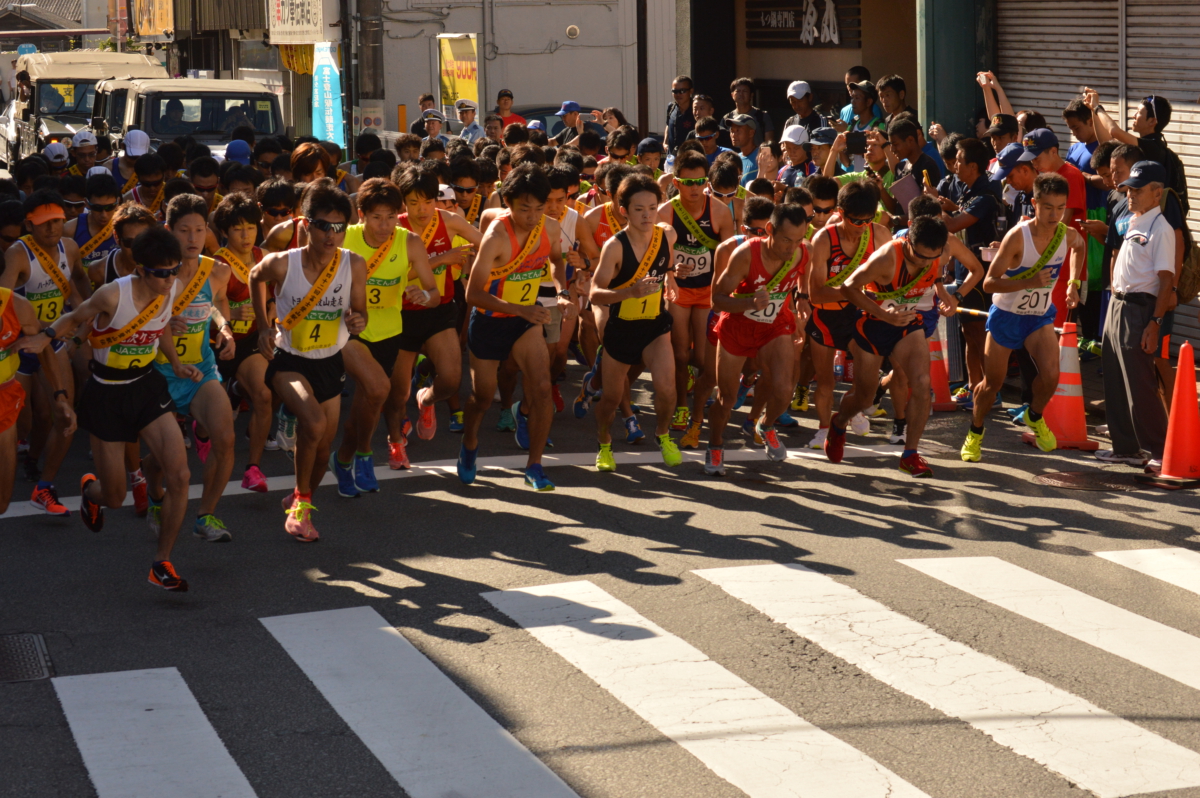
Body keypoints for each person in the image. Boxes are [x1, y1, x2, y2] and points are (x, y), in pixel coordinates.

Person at [25, 227, 195, 589]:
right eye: (161, 273)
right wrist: (47, 336)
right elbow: (75, 317)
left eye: (174, 270)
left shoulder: (172, 289)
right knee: (114, 498)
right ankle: (91, 491)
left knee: (180, 476)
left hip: (147, 386)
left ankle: (161, 562)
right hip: (107, 394)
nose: (169, 280)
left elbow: (161, 325)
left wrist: (176, 364)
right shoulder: (113, 294)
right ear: (141, 270)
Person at [251, 181, 367, 541]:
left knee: (321, 452)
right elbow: (256, 276)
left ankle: (301, 496)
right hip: (289, 359)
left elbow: (360, 312)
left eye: (339, 228)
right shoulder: (283, 264)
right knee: (313, 424)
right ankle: (300, 509)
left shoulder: (355, 264)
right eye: (322, 226)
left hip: (330, 361)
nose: (331, 235)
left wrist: (357, 320)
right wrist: (263, 327)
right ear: (305, 225)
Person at [961, 174, 1086, 462]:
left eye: (1060, 207)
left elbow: (1079, 247)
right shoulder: (1018, 237)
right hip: (1007, 316)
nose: (1055, 215)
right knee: (993, 383)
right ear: (1034, 204)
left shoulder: (1065, 233)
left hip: (1038, 317)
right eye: (1048, 208)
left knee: (1052, 375)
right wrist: (1026, 282)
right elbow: (990, 283)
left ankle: (1034, 416)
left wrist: (1073, 284)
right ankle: (975, 433)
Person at [459, 164, 569, 489]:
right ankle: (468, 445)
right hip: (491, 321)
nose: (533, 216)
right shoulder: (495, 235)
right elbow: (473, 293)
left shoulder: (550, 228)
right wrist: (518, 309)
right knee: (481, 398)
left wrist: (561, 291)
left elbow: (558, 261)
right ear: (507, 201)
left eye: (539, 207)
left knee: (541, 387)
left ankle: (534, 466)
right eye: (525, 209)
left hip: (525, 321)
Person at [824, 215, 954, 477]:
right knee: (864, 396)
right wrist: (884, 315)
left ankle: (910, 454)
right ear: (908, 241)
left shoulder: (940, 252)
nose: (925, 262)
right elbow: (848, 288)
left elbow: (936, 278)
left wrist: (947, 297)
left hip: (907, 323)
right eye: (919, 256)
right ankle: (838, 423)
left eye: (932, 257)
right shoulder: (887, 257)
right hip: (873, 324)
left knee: (921, 382)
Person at [330, 178, 438, 492]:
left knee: (368, 405)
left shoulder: (409, 242)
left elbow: (433, 291)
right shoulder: (343, 238)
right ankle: (365, 455)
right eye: (376, 217)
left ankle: (345, 456)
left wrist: (423, 295)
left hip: (390, 333)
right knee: (379, 388)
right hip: (348, 331)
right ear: (360, 214)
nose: (384, 225)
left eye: (391, 217)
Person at [705, 202, 811, 475]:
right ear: (770, 230)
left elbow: (801, 278)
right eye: (786, 239)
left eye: (798, 240)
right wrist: (751, 302)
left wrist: (801, 300)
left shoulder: (802, 252)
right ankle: (715, 445)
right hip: (738, 327)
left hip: (774, 326)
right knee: (726, 400)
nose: (791, 247)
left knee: (784, 388)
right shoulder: (745, 255)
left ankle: (766, 425)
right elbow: (716, 301)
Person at [157, 194, 237, 542]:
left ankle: (206, 515)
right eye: (184, 231)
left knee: (226, 436)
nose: (192, 239)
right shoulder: (154, 274)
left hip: (200, 371)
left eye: (199, 230)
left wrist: (224, 327)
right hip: (157, 374)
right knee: (167, 456)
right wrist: (160, 321)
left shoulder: (217, 269)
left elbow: (218, 302)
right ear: (168, 231)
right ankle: (149, 477)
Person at [588, 172, 682, 472]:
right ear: (623, 209)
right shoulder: (615, 247)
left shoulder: (666, 234)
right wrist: (631, 291)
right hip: (622, 328)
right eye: (639, 209)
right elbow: (594, 294)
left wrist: (672, 274)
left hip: (654, 325)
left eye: (652, 208)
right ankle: (604, 441)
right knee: (612, 399)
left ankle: (663, 434)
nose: (646, 215)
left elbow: (665, 262)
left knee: (668, 389)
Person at [3, 191, 88, 514]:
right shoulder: (18, 254)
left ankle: (44, 483)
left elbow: (78, 282)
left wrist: (83, 312)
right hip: (20, 346)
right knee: (26, 421)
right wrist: (37, 326)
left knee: (64, 413)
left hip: (52, 341)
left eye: (57, 221)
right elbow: (5, 301)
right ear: (29, 224)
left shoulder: (70, 247)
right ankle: (25, 458)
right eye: (44, 224)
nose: (53, 229)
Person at [391, 165, 482, 453]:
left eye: (428, 201)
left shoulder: (449, 221)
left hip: (440, 309)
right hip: (401, 314)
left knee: (452, 380)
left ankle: (426, 400)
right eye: (414, 202)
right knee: (397, 391)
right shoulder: (393, 227)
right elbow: (390, 277)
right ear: (404, 202)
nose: (422, 209)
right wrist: (442, 258)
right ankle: (396, 441)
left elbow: (486, 243)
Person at [1097, 161, 1175, 471]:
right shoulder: (1134, 221)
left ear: (1157, 194)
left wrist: (1154, 324)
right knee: (1115, 379)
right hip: (1117, 303)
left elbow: (1166, 280)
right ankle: (1126, 447)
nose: (1130, 195)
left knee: (1140, 383)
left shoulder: (1162, 228)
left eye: (1138, 190)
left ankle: (1160, 449)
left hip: (1139, 308)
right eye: (1129, 189)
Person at [658, 150, 735, 445]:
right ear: (676, 183)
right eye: (688, 182)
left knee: (703, 358)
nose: (695, 188)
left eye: (700, 181)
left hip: (707, 291)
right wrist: (670, 274)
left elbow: (728, 256)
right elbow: (658, 255)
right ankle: (680, 405)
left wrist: (721, 291)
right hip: (678, 290)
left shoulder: (718, 211)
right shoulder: (665, 213)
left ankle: (698, 409)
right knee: (679, 354)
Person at [805, 180, 889, 448]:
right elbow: (816, 294)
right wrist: (854, 292)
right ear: (840, 212)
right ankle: (822, 428)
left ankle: (852, 409)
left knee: (866, 376)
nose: (863, 226)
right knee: (826, 380)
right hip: (826, 315)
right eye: (856, 221)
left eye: (869, 219)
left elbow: (890, 280)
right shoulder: (823, 239)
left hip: (858, 314)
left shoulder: (880, 234)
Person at [210, 194, 273, 493]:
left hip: (250, 342)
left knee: (262, 395)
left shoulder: (266, 257)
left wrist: (271, 311)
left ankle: (253, 468)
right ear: (225, 231)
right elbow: (202, 305)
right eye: (238, 228)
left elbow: (277, 295)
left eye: (250, 226)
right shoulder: (215, 263)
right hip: (217, 345)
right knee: (216, 422)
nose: (246, 234)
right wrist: (230, 313)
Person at [0, 285, 75, 515]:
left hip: (4, 394)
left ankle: (41, 481)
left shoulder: (17, 305)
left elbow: (44, 348)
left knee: (2, 502)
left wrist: (60, 396)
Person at [63, 173, 120, 278]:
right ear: (86, 203)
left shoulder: (124, 228)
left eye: (109, 207)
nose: (104, 214)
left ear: (117, 203)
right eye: (97, 208)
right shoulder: (70, 229)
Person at [725, 78, 774, 145]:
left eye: (745, 91)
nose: (741, 94)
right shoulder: (727, 118)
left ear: (751, 95)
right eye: (738, 91)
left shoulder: (762, 116)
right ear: (732, 95)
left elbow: (769, 144)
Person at [665, 76, 695, 154]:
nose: (678, 94)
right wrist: (665, 142)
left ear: (691, 91)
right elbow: (668, 125)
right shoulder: (671, 107)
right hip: (672, 157)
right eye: (675, 91)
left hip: (690, 158)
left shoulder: (696, 110)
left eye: (682, 91)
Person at [728, 114, 760, 186]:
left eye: (738, 130)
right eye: (732, 130)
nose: (733, 134)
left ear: (751, 133)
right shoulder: (735, 159)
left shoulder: (762, 155)